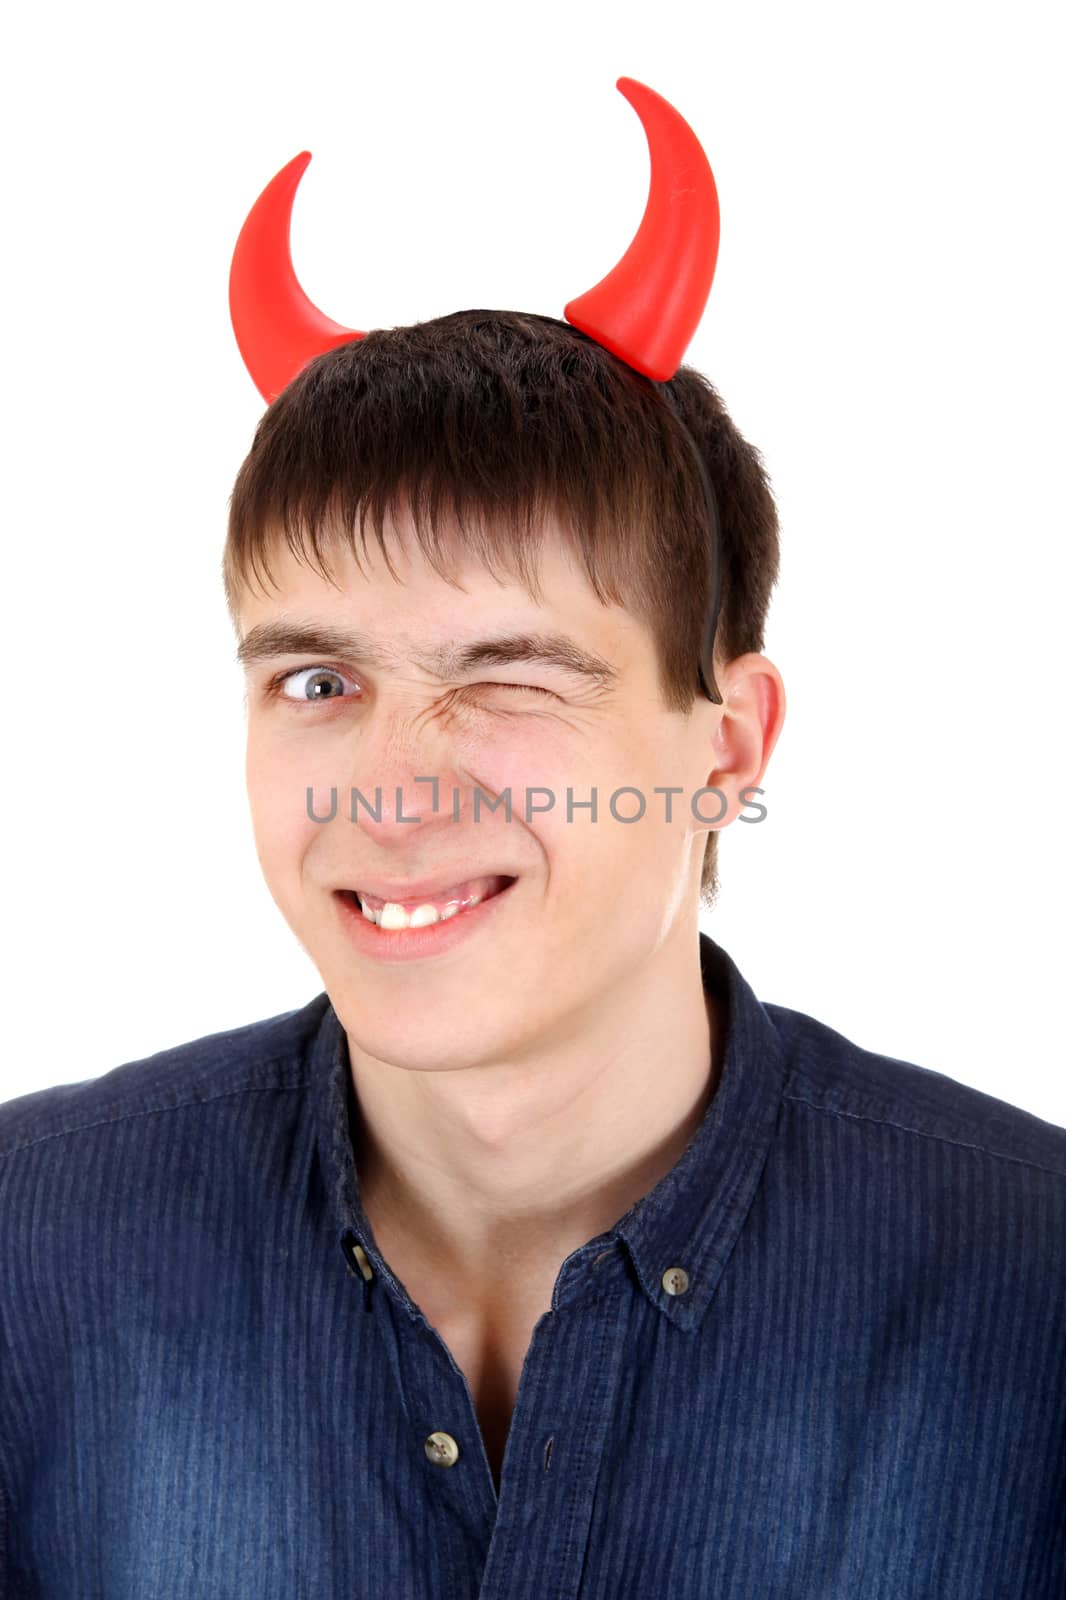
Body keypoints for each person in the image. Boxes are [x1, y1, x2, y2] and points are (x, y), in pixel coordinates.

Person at [1, 78, 1063, 1597]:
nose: (389, 784)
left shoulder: (1032, 1290)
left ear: (728, 744)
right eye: (317, 680)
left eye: (505, 679)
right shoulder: (26, 1251)